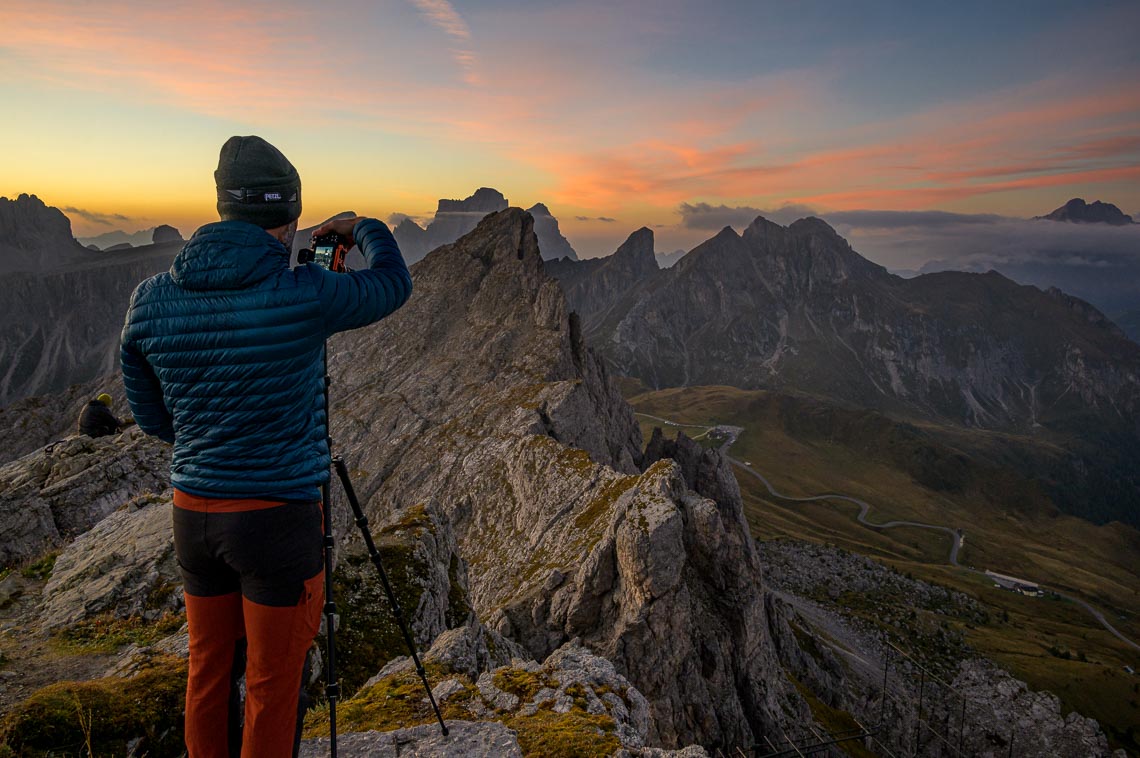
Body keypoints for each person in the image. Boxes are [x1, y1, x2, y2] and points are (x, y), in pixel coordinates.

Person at [120, 135, 412, 758]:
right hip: (278, 520)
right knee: (273, 685)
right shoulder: (304, 291)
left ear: (225, 208)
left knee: (208, 674)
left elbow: (151, 416)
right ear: (290, 217)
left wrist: (210, 437)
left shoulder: (150, 299)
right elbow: (392, 284)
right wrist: (363, 227)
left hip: (193, 513)